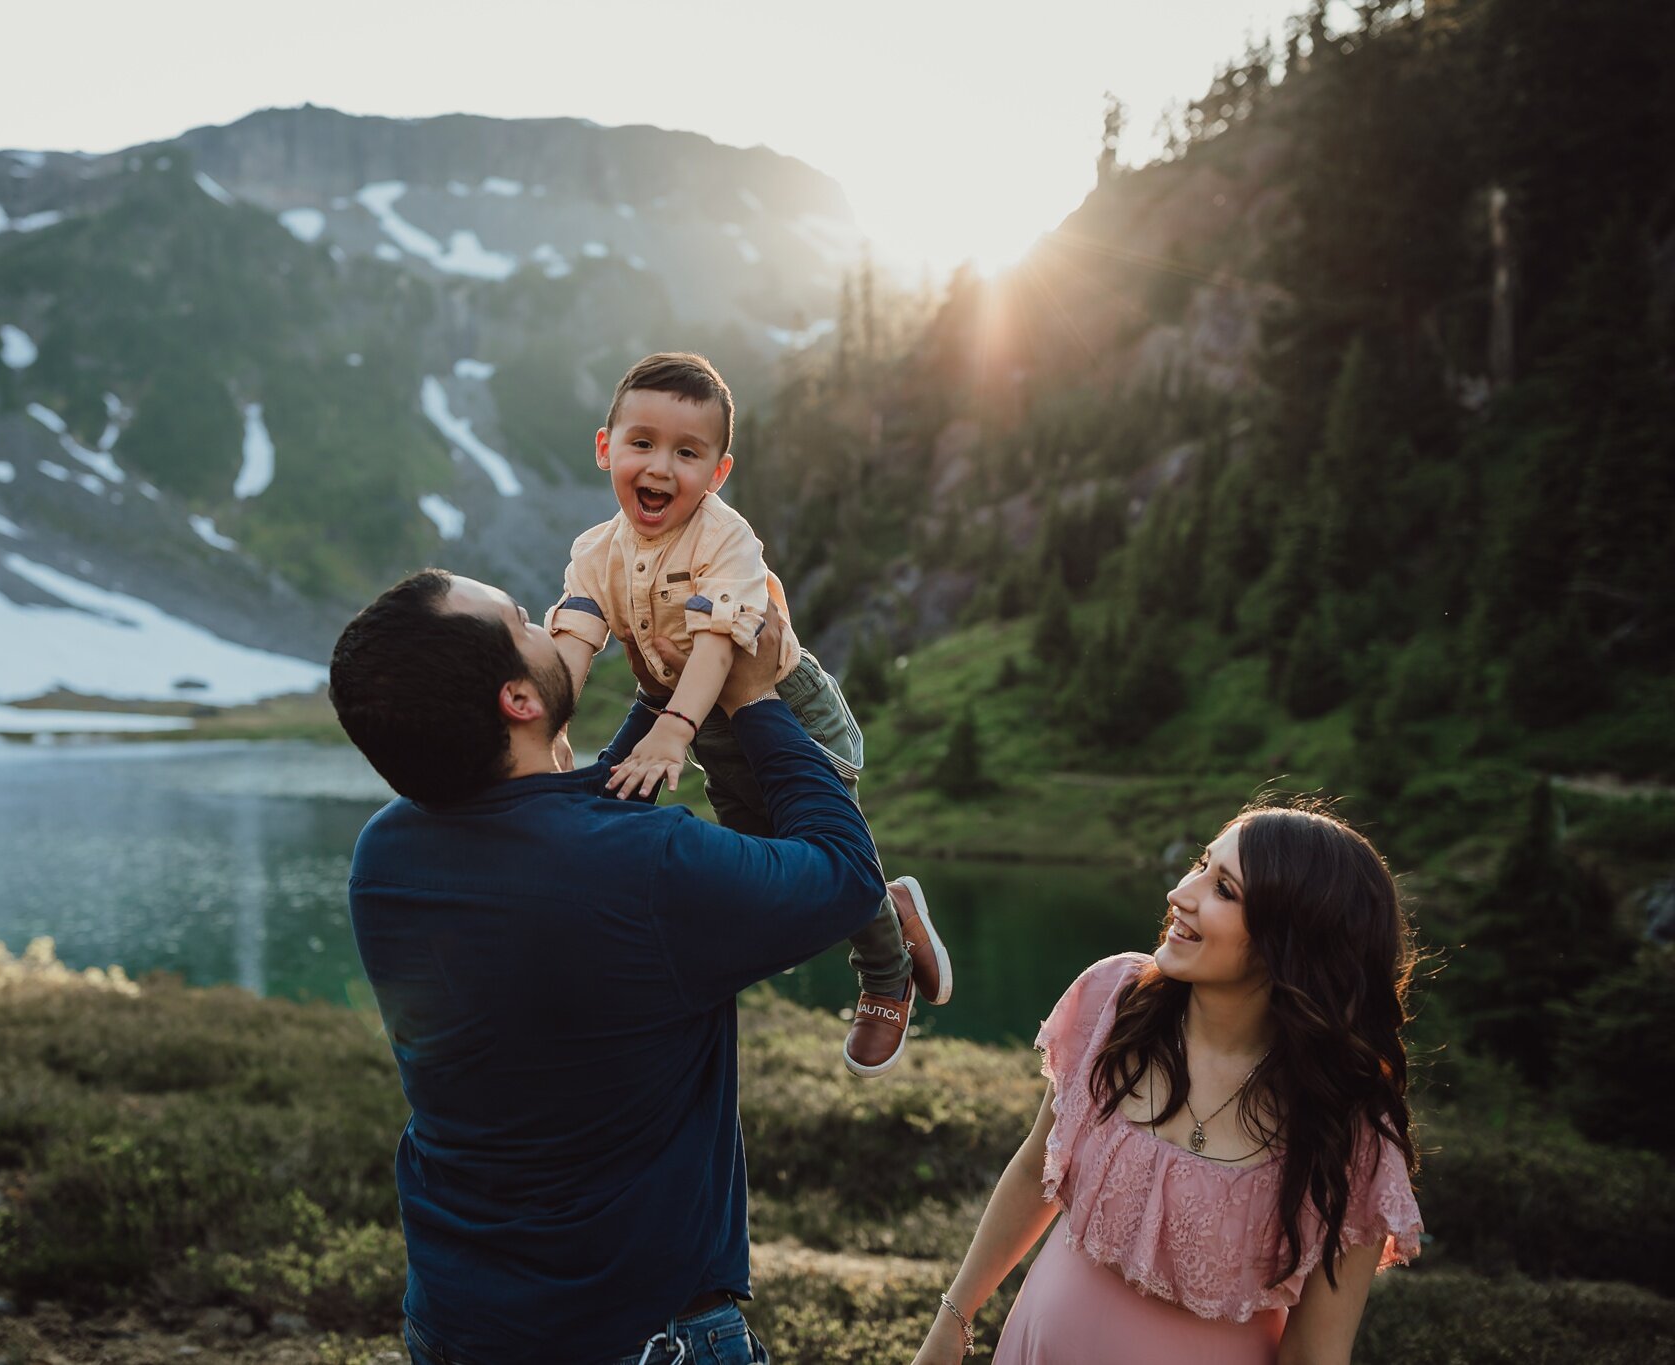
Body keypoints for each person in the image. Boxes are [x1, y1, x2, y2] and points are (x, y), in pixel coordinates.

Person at [330, 568, 939, 1364]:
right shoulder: (647, 869)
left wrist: (659, 708)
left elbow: (567, 834)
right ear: (519, 699)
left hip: (457, 1320)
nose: (551, 625)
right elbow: (843, 874)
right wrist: (753, 698)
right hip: (642, 1335)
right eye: (524, 622)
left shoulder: (386, 854)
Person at [546, 351, 953, 1076]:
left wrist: (674, 728)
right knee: (778, 875)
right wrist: (552, 725)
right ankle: (892, 905)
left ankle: (886, 970)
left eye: (688, 452)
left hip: (786, 709)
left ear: (718, 471)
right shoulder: (594, 552)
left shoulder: (725, 537)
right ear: (606, 447)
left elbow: (719, 639)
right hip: (707, 728)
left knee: (826, 857)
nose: (661, 468)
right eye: (642, 443)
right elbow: (576, 633)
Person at [910, 801, 1423, 1365]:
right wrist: (951, 1323)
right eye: (1201, 866)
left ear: (1295, 940)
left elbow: (1314, 1355)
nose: (1181, 894)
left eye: (1224, 890)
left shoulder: (1346, 1133)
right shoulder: (1114, 1005)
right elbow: (1038, 1169)